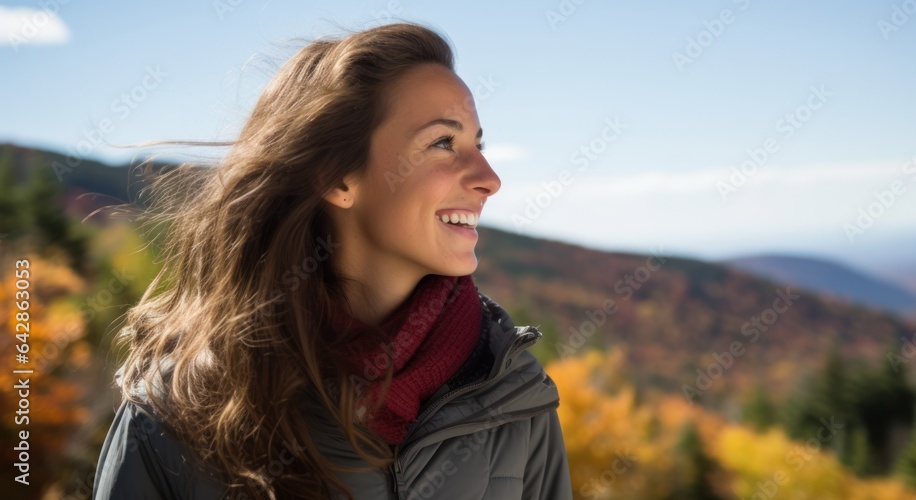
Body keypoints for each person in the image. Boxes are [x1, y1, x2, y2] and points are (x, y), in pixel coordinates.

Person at [92, 21, 573, 499]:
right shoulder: (181, 406)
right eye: (443, 143)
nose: (490, 178)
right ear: (337, 177)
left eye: (478, 144)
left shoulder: (516, 397)